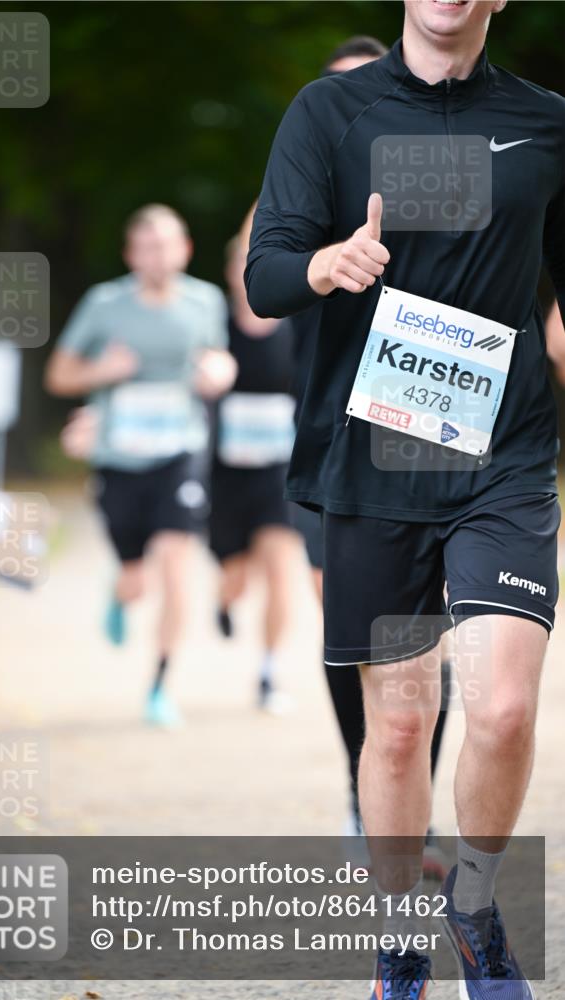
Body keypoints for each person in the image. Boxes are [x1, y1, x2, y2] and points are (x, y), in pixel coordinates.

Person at [246, 1, 563, 996]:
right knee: (397, 721)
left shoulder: (546, 120)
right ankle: (397, 937)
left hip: (504, 452)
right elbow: (264, 277)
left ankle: (472, 905)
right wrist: (324, 263)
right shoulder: (328, 112)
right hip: (376, 456)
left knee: (503, 707)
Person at [290, 34, 451, 869]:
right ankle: (367, 789)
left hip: (422, 431)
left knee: (430, 633)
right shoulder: (303, 181)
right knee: (350, 632)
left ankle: (405, 796)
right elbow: (259, 288)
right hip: (326, 447)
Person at [45, 204, 236, 727]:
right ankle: (121, 588)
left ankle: (159, 685)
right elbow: (58, 375)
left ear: (186, 249)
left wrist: (220, 371)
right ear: (131, 254)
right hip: (119, 458)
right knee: (137, 582)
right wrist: (104, 370)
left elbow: (215, 360)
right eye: (146, 246)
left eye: (167, 244)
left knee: (177, 563)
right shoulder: (105, 304)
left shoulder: (205, 301)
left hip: (180, 452)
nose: (157, 256)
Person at [210, 227, 302, 713]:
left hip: (279, 471)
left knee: (280, 568)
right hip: (224, 474)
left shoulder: (295, 326)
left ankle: (269, 671)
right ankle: (224, 599)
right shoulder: (213, 328)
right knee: (237, 575)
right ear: (230, 273)